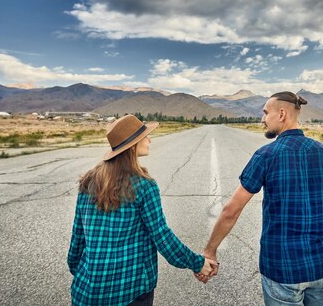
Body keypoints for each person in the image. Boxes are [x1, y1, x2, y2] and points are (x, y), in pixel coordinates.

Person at [199, 92, 323, 305]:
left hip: (282, 268)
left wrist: (209, 251)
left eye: (266, 113)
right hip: (321, 267)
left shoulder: (266, 155)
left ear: (282, 114)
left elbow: (231, 210)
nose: (263, 119)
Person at [68, 114, 216, 306]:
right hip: (129, 291)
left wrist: (80, 272)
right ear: (132, 145)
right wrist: (198, 263)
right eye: (144, 136)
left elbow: (77, 239)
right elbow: (163, 238)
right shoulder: (144, 186)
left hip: (86, 292)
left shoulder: (88, 181)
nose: (149, 139)